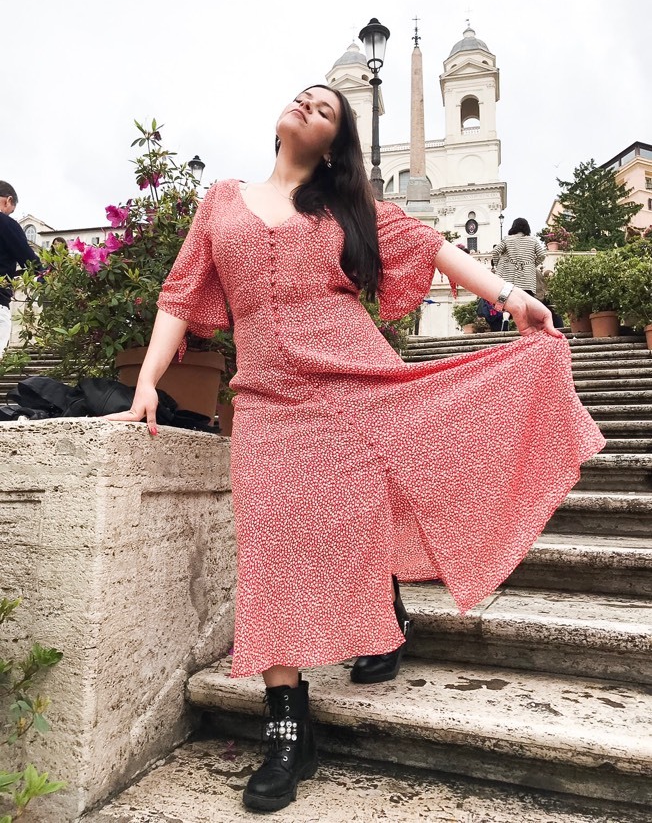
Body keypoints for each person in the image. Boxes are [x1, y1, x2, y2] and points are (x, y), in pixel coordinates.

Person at [106, 85, 604, 813]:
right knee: (271, 547)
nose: (308, 104)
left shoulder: (349, 208)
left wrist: (509, 297)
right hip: (270, 399)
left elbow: (433, 250)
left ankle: (385, 611)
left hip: (354, 374)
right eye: (303, 96)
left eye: (327, 109)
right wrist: (148, 382)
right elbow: (180, 296)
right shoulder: (221, 201)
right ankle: (288, 728)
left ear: (338, 145)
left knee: (369, 501)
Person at [0, 182, 42, 358]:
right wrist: (44, 274)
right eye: (11, 210)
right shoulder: (5, 223)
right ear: (8, 201)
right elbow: (29, 261)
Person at [491, 217, 546, 296]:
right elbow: (542, 255)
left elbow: (495, 252)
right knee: (525, 304)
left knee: (504, 304)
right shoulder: (533, 241)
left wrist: (497, 264)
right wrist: (532, 265)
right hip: (527, 281)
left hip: (508, 279)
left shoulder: (507, 239)